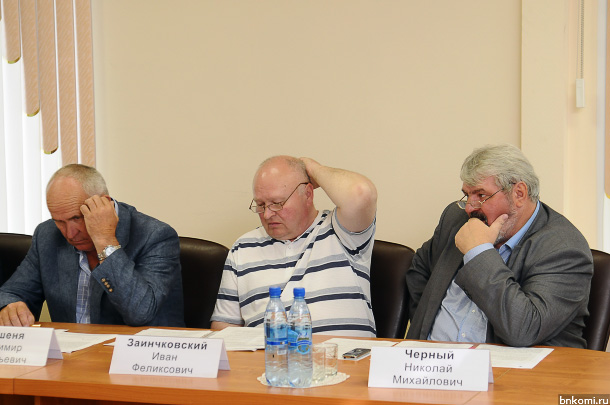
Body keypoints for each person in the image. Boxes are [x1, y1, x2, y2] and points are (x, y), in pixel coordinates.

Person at [406, 144, 593, 348]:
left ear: (519, 193)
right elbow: (419, 269)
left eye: (481, 195)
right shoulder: (456, 218)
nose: (469, 208)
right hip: (427, 360)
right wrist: (426, 325)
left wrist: (478, 252)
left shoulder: (564, 248)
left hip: (508, 366)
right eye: (467, 195)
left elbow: (523, 330)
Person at [211, 156, 377, 337]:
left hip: (344, 354)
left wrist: (312, 168)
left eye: (277, 203)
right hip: (270, 354)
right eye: (261, 205)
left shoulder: (343, 231)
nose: (267, 214)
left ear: (308, 194)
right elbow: (223, 328)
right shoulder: (243, 248)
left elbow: (361, 193)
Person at [0, 164, 184, 327]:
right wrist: (11, 306)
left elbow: (140, 313)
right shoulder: (46, 235)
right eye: (59, 221)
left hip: (137, 352)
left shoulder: (155, 236)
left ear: (104, 205)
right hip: (70, 352)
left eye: (76, 218)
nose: (70, 233)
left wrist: (105, 241)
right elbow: (11, 292)